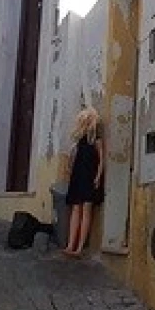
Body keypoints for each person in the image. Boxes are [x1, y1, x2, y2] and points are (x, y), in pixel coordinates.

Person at [62, 107, 104, 257]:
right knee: (76, 209)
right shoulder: (79, 140)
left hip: (89, 176)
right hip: (79, 175)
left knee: (86, 211)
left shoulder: (96, 140)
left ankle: (79, 247)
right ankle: (70, 244)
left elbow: (101, 160)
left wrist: (98, 177)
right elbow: (72, 158)